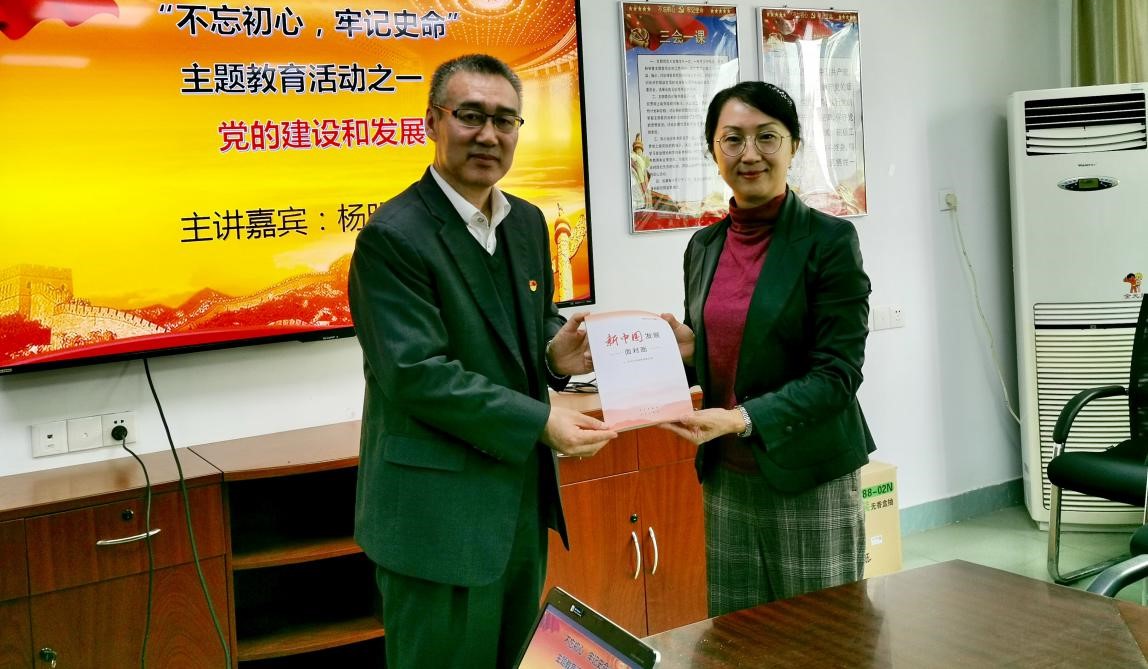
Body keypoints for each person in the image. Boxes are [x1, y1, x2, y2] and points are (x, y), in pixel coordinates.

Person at [348, 53, 617, 668]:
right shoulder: (394, 236)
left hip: (517, 502)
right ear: (432, 122)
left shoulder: (526, 222)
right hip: (436, 518)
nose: (489, 135)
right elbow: (417, 374)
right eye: (470, 116)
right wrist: (541, 420)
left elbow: (526, 326)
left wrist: (554, 352)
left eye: (505, 120)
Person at [660, 80, 874, 615]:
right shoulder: (703, 245)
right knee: (737, 634)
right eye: (732, 139)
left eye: (767, 137)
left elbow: (837, 375)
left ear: (793, 146)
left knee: (822, 637)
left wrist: (741, 419)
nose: (749, 154)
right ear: (714, 152)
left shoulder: (829, 241)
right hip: (727, 477)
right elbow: (731, 352)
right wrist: (690, 351)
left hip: (808, 473)